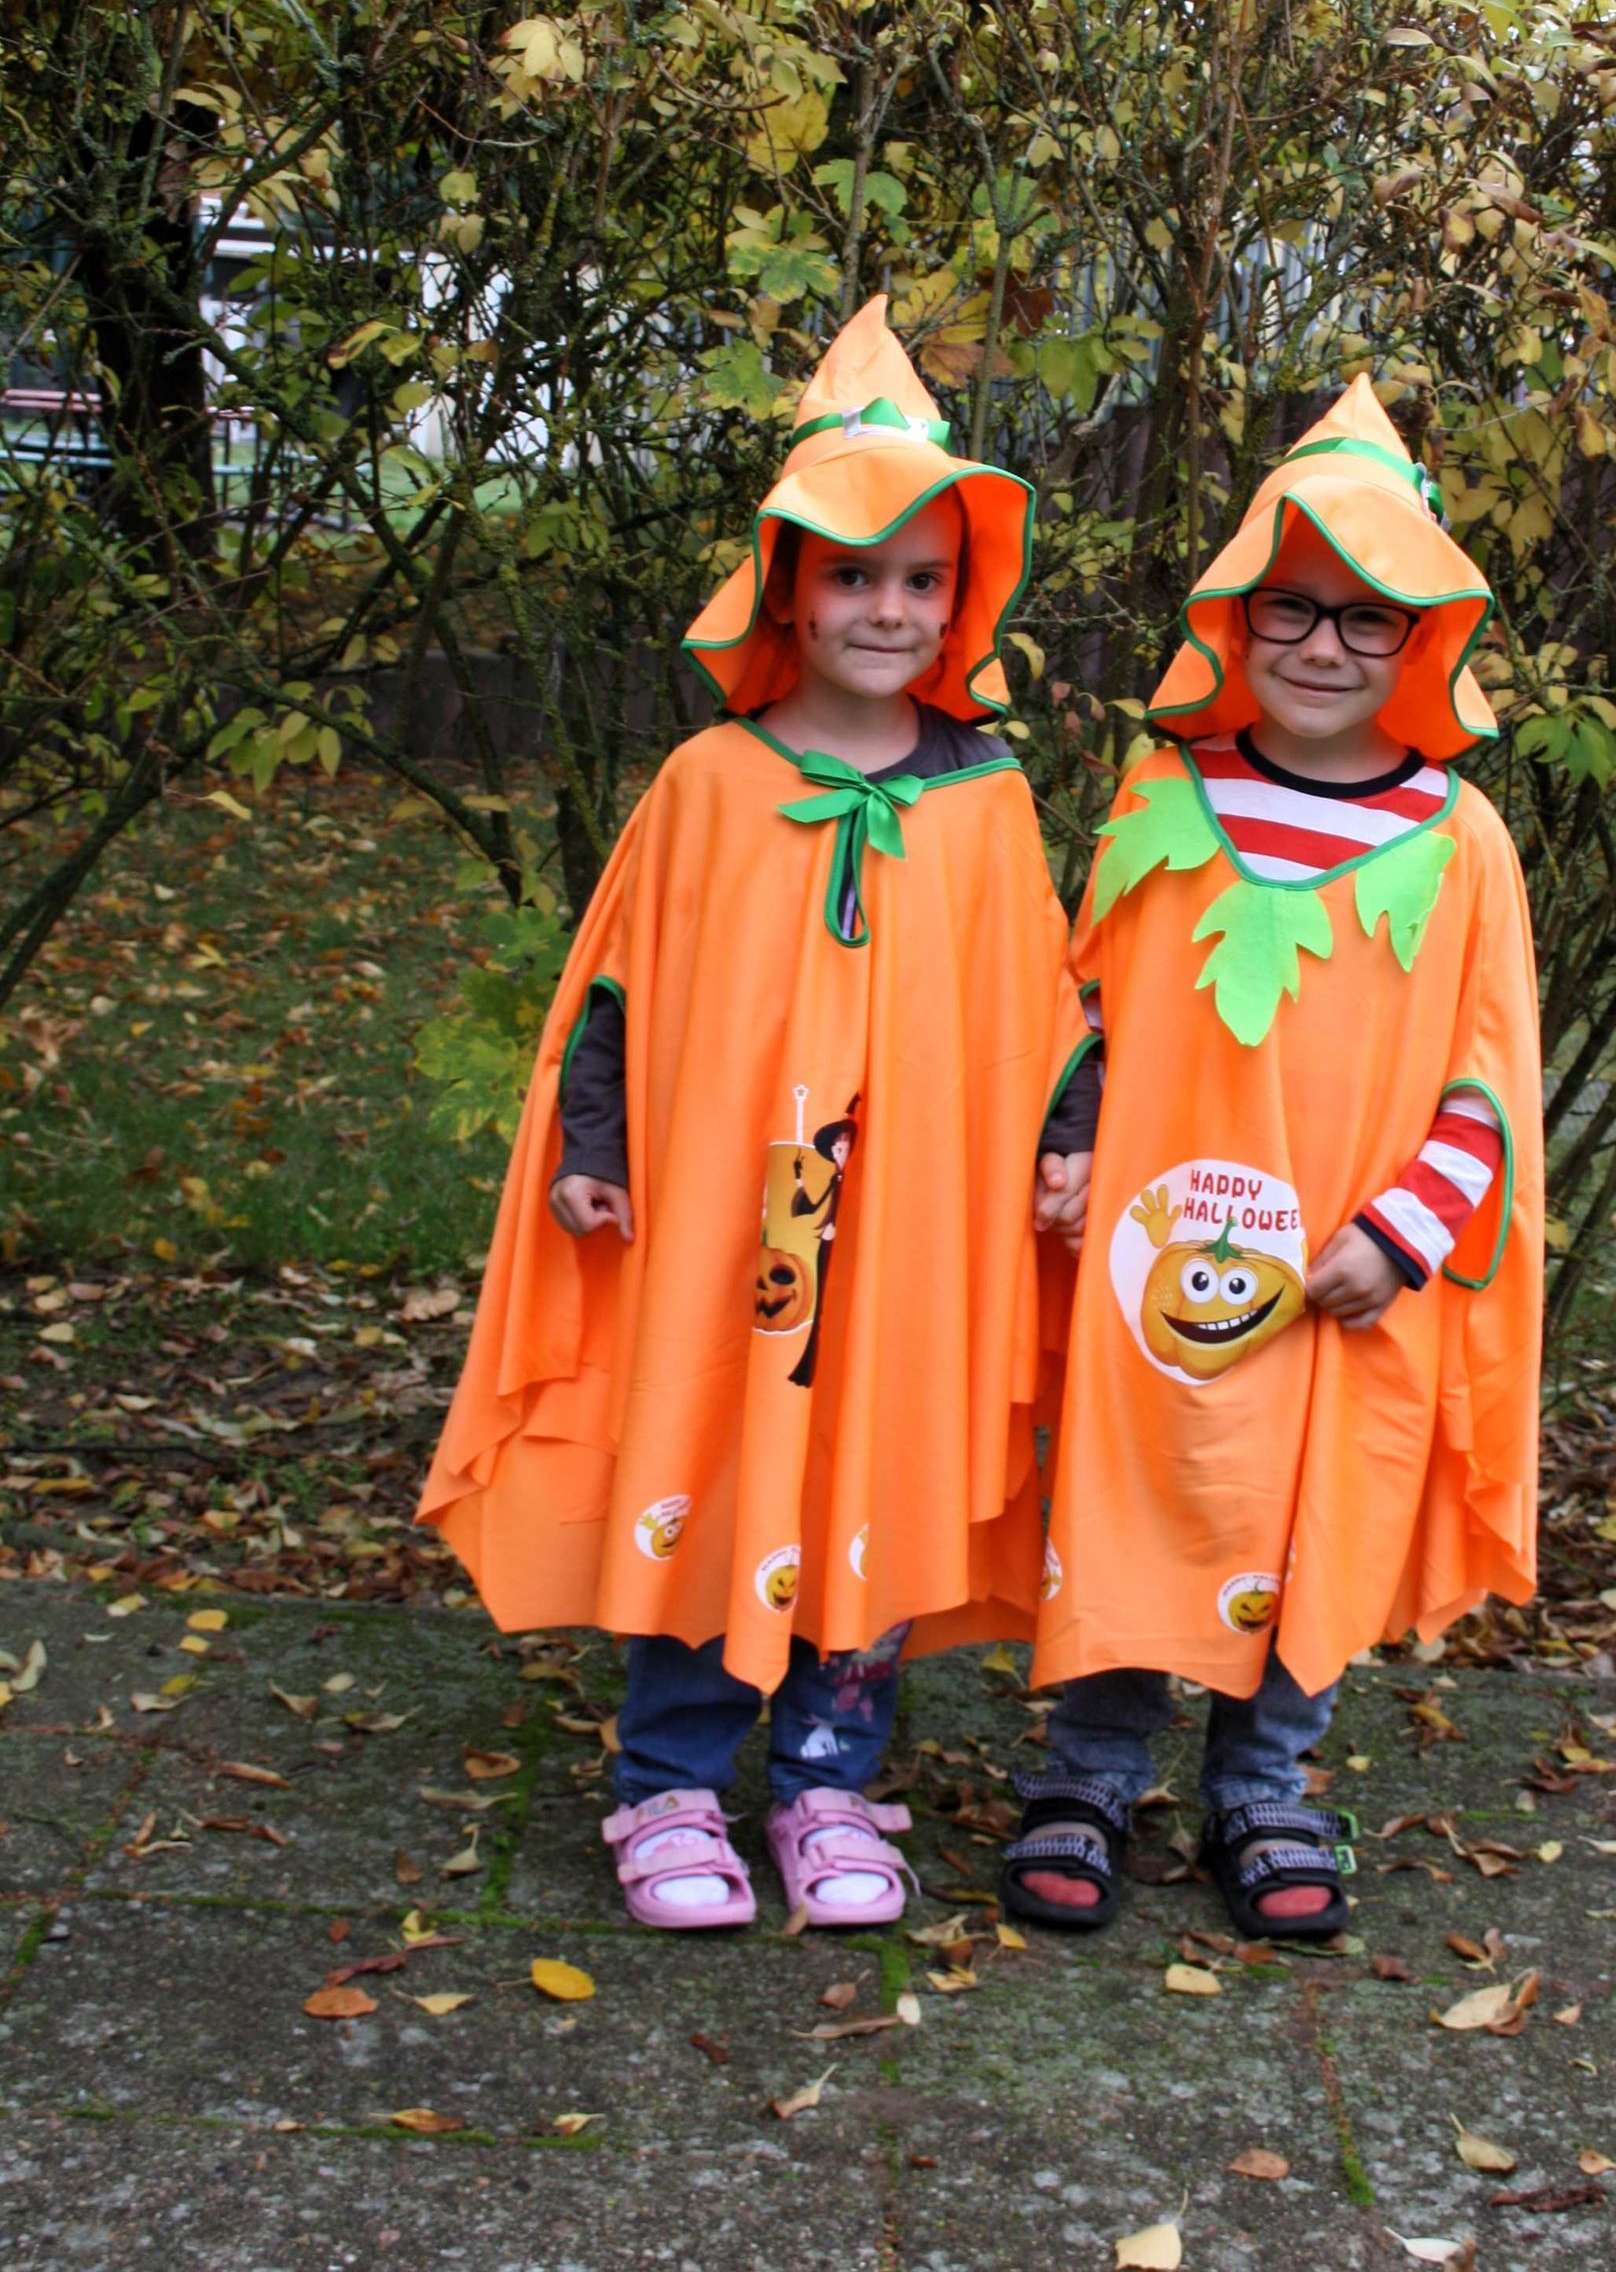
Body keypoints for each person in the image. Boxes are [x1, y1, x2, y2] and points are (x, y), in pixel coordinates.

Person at [422, 298, 1093, 1932]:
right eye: (851, 574)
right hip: (742, 1222)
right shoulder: (712, 785)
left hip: (910, 1230)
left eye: (920, 579)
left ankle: (830, 1781)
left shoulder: (989, 796)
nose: (886, 606)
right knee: (721, 1449)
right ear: (787, 587)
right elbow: (619, 994)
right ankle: (669, 1777)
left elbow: (1042, 1004)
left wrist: (1064, 1138)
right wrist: (599, 1152)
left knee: (871, 1458)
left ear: (960, 603)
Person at [1003, 374, 1543, 1943]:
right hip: (1158, 1242)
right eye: (1293, 607)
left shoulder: (1458, 838)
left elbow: (1489, 1073)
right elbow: (1092, 998)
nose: (1323, 645)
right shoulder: (1164, 799)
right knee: (1140, 1478)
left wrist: (1407, 1233)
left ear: (1421, 640)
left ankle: (1269, 1781)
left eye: (1368, 618)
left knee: (1314, 1502)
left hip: (1345, 1266)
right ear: (1239, 621)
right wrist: (1077, 1135)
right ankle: (1089, 1768)